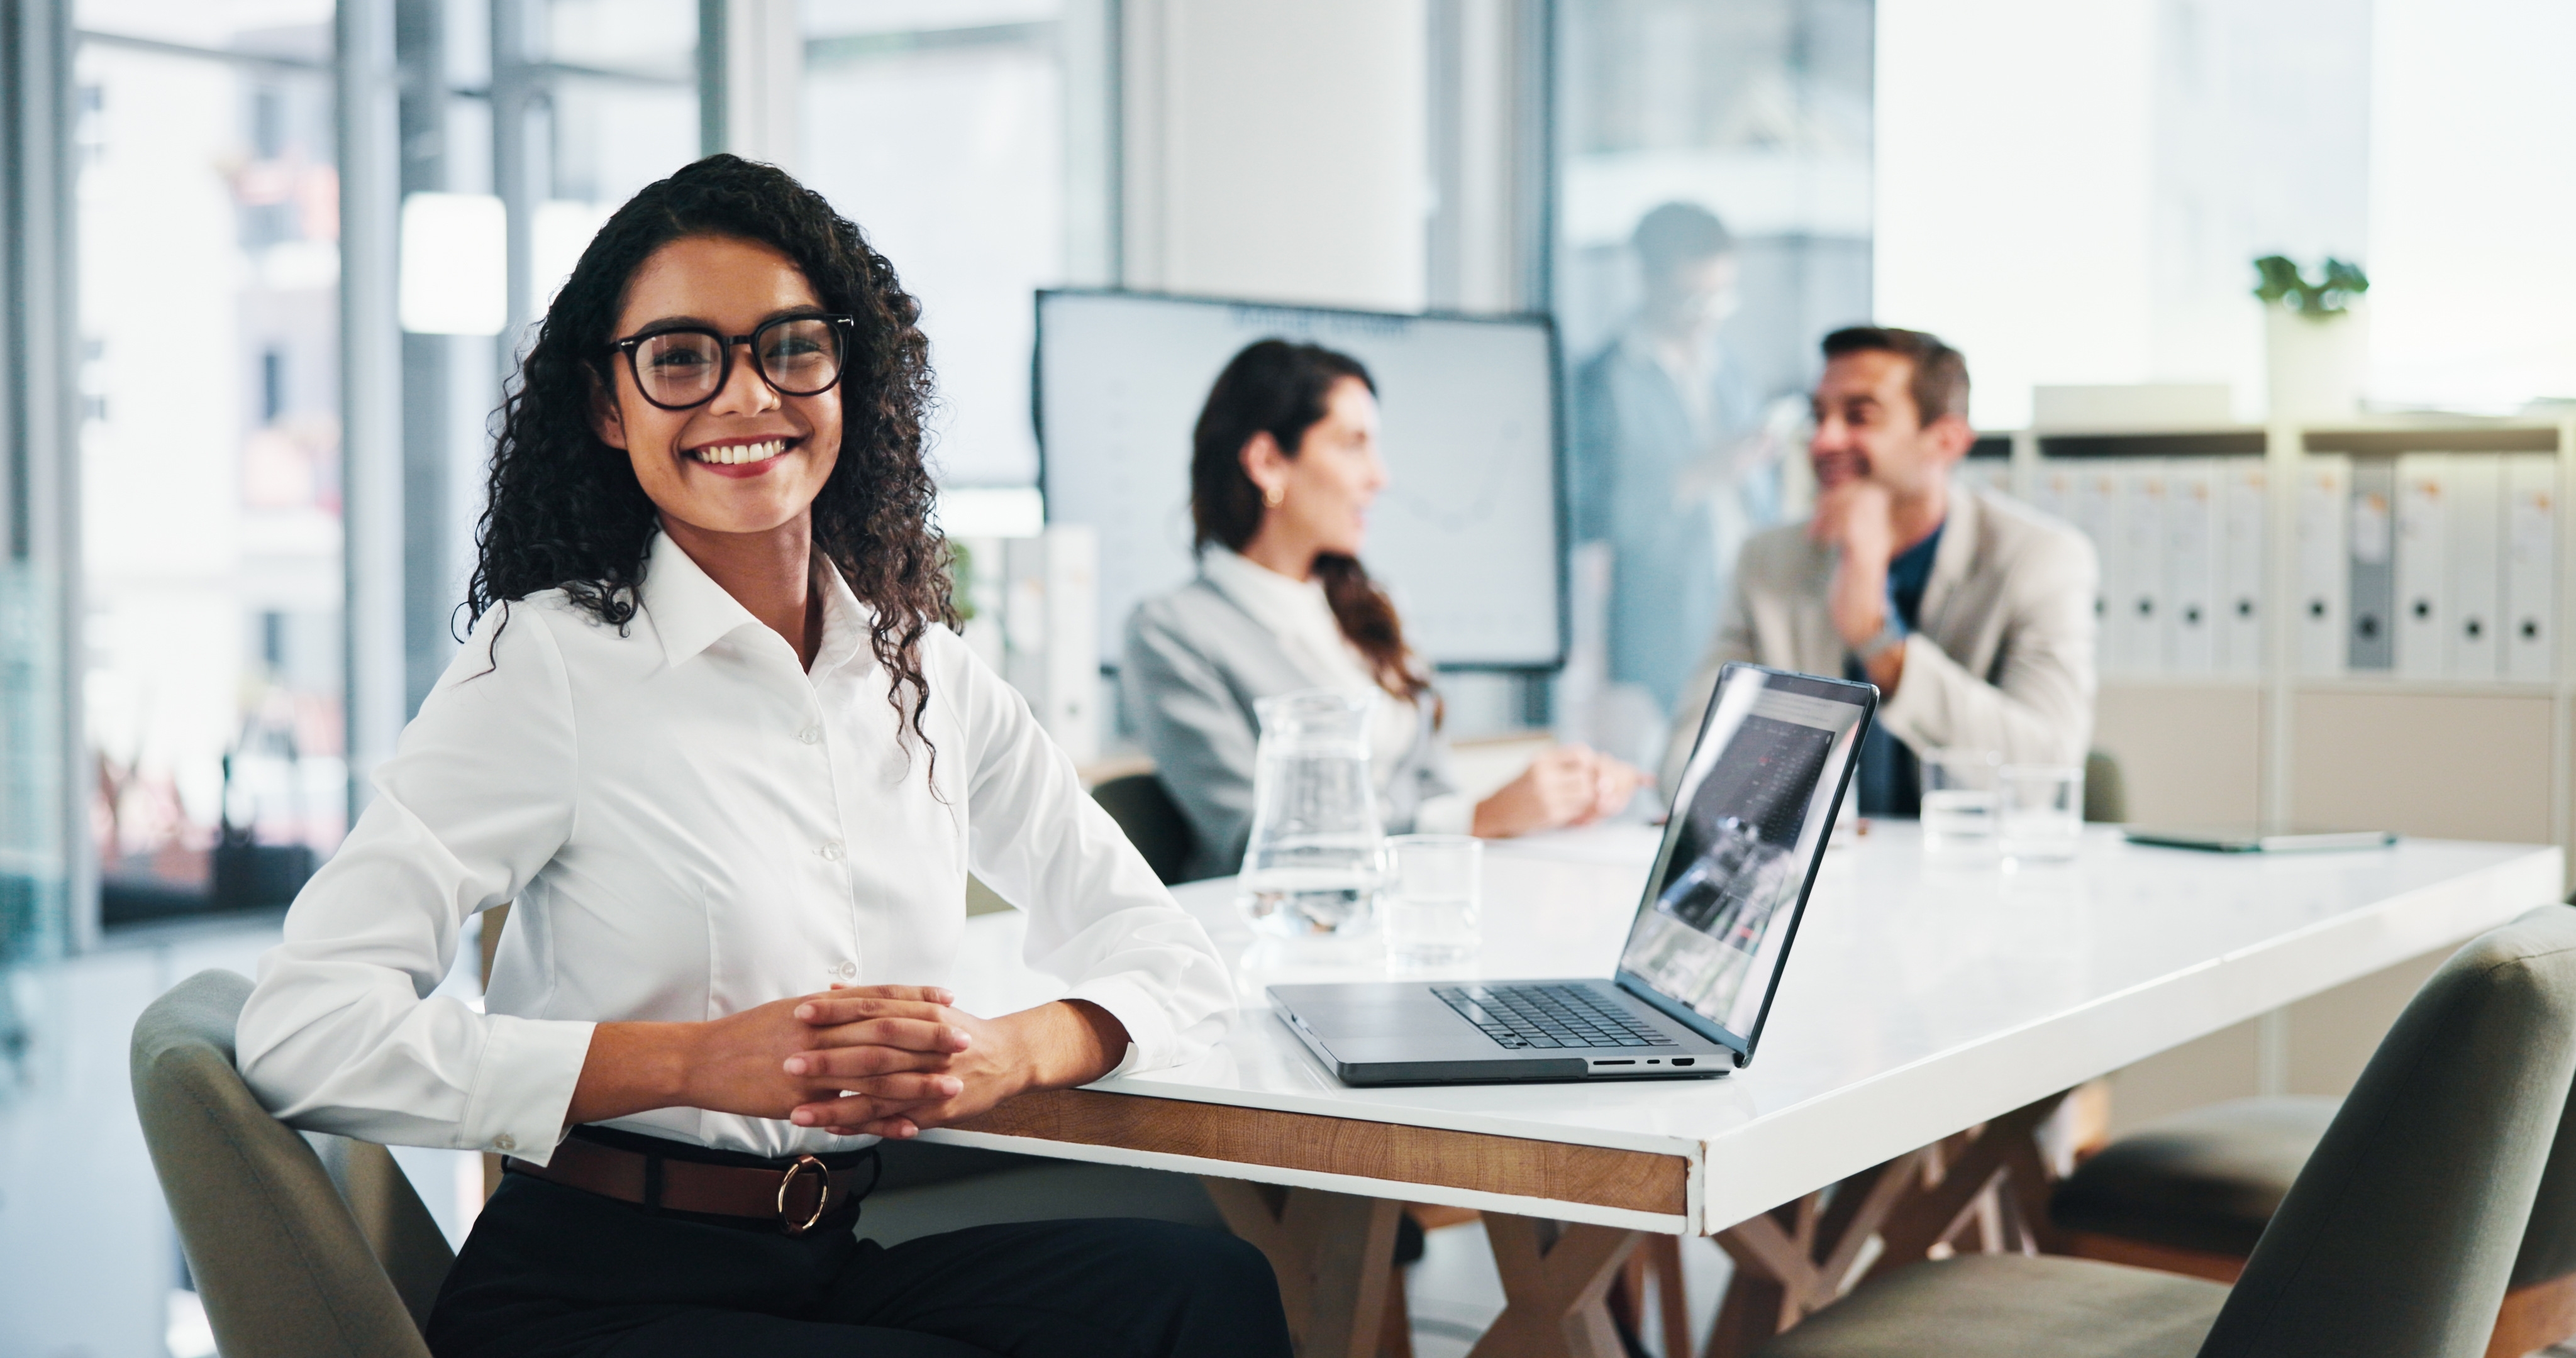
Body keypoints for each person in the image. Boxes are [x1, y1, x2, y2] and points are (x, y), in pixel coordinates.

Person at [233, 156, 1287, 1358]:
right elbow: (303, 1030)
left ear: (849, 378)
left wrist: (1008, 1053)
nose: (746, 397)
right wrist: (692, 1061)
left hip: (820, 1260)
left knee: (1203, 1286)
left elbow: (1167, 959)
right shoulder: (548, 666)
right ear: (607, 405)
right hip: (591, 1295)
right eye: (681, 360)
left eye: (790, 348)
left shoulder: (924, 671)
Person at [1125, 340, 1644, 883]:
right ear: (1268, 462)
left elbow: (1432, 792)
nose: (1381, 477)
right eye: (1354, 446)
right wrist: (1481, 818)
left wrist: (1539, 811)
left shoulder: (1377, 605)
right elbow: (1254, 840)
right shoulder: (1172, 632)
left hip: (1406, 910)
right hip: (1280, 931)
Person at [1659, 326, 2097, 816]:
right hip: (1828, 881)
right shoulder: (1767, 561)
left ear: (1946, 441)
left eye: (1859, 416)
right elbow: (1686, 768)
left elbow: (2044, 775)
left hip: (1972, 875)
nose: (1824, 440)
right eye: (1819, 415)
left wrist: (1879, 643)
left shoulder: (2039, 558)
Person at [1571, 202, 1784, 713]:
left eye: (1720, 299)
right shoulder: (1606, 380)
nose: (1708, 316)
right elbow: (1596, 518)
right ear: (1648, 281)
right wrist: (1699, 473)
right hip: (1659, 635)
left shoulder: (1727, 366)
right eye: (1693, 300)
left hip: (1743, 607)